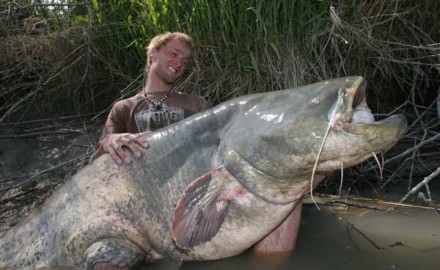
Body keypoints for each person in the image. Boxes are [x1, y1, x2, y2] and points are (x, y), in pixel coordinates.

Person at [90, 32, 210, 165]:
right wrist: (109, 141)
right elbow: (96, 163)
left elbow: (214, 149)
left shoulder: (197, 105)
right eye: (174, 54)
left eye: (184, 61)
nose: (179, 63)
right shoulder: (123, 108)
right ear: (153, 52)